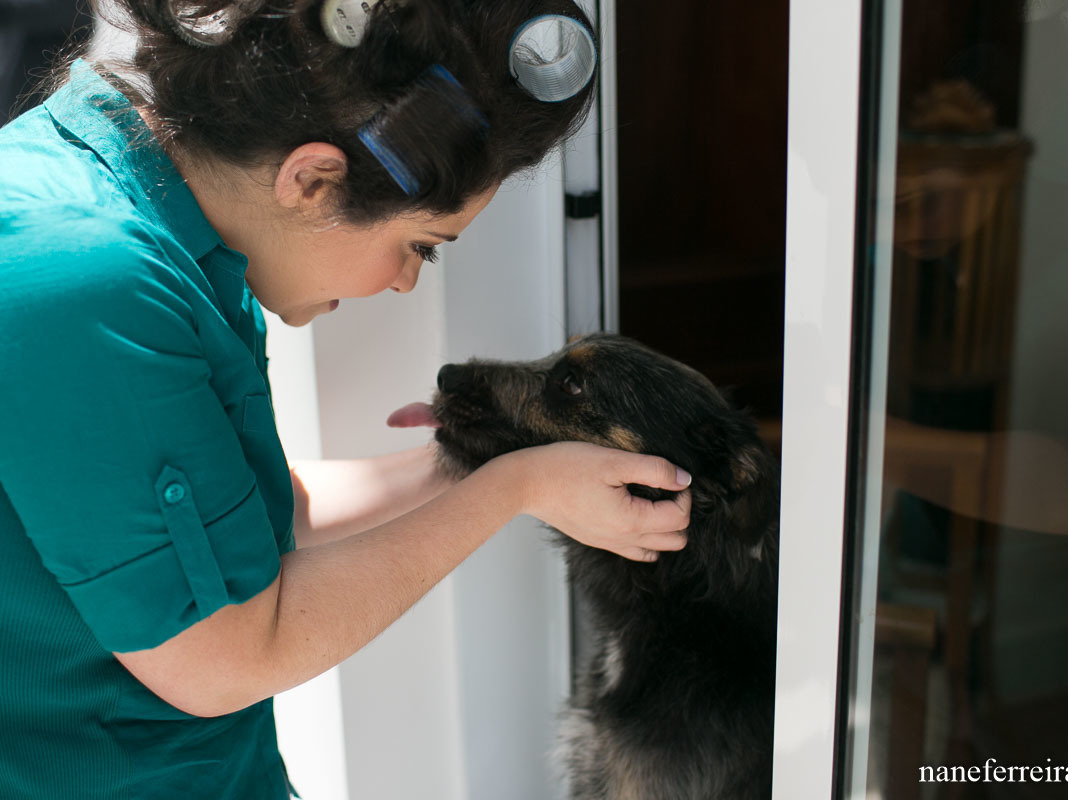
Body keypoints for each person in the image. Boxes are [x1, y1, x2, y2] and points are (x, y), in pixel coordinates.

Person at [0, 1, 692, 798]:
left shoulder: (170, 217)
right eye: (420, 247)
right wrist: (517, 488)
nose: (404, 282)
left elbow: (254, 520)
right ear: (312, 180)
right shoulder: (86, 280)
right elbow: (228, 656)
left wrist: (473, 459)